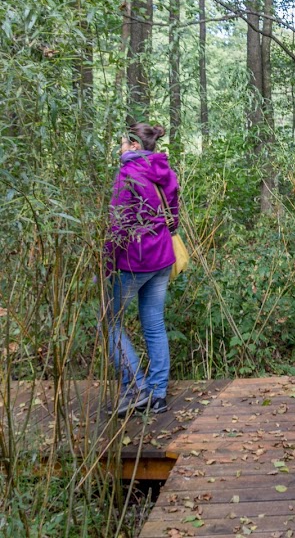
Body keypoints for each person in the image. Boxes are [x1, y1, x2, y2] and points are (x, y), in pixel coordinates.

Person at [104, 123, 179, 417]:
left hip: (135, 261)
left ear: (134, 146)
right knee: (154, 324)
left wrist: (107, 264)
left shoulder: (128, 173)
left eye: (123, 143)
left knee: (110, 322)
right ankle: (157, 395)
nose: (120, 148)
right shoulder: (164, 170)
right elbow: (173, 215)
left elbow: (118, 224)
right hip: (162, 257)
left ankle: (137, 387)